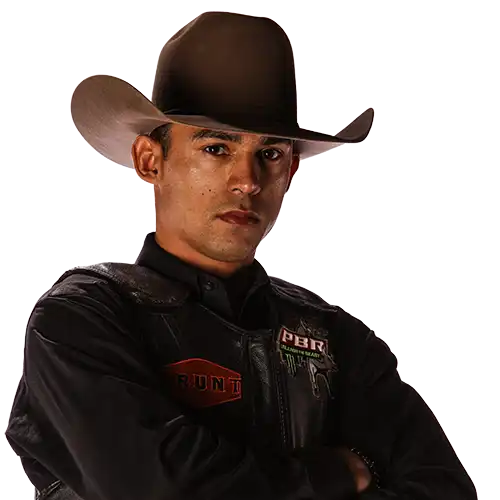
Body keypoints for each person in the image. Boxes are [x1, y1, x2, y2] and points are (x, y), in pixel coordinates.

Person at [6, 11, 476, 500]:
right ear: (150, 160)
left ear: (290, 171)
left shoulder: (339, 341)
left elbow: (444, 491)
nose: (247, 181)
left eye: (270, 154)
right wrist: (335, 473)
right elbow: (163, 491)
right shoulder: (81, 320)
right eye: (216, 149)